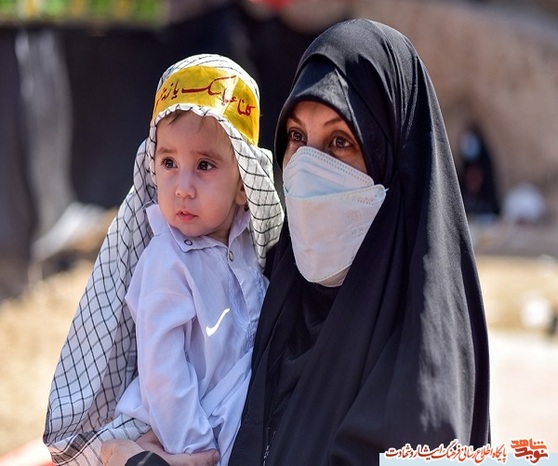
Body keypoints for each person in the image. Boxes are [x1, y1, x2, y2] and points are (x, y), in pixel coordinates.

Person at [63, 18, 493, 466]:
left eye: (340, 140)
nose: (308, 166)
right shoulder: (283, 297)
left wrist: (131, 461)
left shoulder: (423, 370)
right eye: (297, 137)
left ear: (392, 157)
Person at [43, 54, 284, 466]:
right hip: (185, 439)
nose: (182, 187)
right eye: (169, 163)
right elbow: (163, 371)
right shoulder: (167, 260)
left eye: (204, 165)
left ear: (244, 184)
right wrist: (195, 449)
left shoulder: (249, 248)